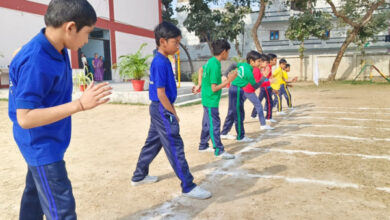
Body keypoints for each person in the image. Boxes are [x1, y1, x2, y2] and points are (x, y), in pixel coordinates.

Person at [8, 0, 112, 219]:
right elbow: (24, 118)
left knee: (34, 195)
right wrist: (80, 104)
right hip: (41, 144)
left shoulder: (55, 45)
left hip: (46, 138)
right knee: (62, 209)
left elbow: (23, 53)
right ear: (70, 27)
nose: (86, 40)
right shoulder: (37, 59)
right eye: (88, 33)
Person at [131, 21, 211, 200]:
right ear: (162, 42)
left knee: (153, 142)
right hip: (161, 109)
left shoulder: (163, 60)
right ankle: (188, 186)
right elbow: (160, 94)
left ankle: (139, 175)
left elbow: (165, 92)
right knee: (175, 145)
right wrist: (173, 113)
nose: (178, 46)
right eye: (175, 42)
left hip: (159, 108)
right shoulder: (160, 62)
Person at [192, 39, 237, 159]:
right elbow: (214, 88)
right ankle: (219, 150)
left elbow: (201, 69)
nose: (228, 54)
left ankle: (203, 145)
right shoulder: (215, 65)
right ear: (223, 52)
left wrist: (199, 84)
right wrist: (228, 80)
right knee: (214, 125)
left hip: (207, 98)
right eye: (228, 51)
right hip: (211, 99)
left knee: (207, 123)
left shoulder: (211, 62)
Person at [220, 51, 267, 142]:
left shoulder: (243, 65)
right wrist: (263, 78)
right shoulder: (249, 72)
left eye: (261, 61)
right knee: (239, 113)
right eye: (258, 61)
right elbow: (255, 86)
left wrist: (225, 74)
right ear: (252, 61)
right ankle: (241, 136)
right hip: (237, 90)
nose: (260, 63)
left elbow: (233, 64)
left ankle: (224, 133)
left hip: (234, 89)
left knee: (231, 112)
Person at [242, 54, 274, 130]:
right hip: (248, 90)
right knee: (259, 106)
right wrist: (268, 81)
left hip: (247, 90)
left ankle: (234, 121)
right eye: (266, 62)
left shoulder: (257, 70)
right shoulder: (256, 70)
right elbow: (257, 84)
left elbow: (260, 83)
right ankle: (263, 124)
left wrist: (268, 81)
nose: (267, 65)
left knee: (239, 106)